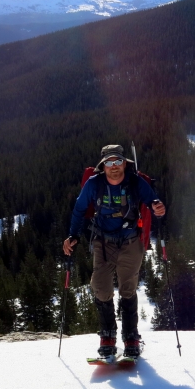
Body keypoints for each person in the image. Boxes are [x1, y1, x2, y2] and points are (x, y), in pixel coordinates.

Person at [63, 144, 165, 358]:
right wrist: (73, 235)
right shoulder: (94, 184)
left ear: (124, 163)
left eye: (118, 161)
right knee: (100, 285)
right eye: (109, 163)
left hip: (130, 242)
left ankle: (131, 338)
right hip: (103, 243)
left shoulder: (135, 182)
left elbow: (152, 200)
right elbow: (79, 210)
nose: (114, 166)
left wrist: (157, 206)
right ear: (103, 166)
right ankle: (107, 335)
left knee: (128, 289)